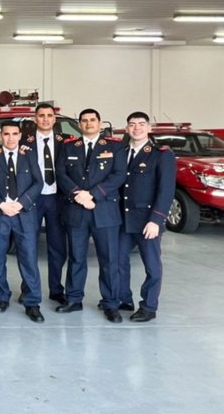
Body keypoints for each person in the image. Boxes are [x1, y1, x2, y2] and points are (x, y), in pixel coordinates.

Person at [55, 108, 126, 322]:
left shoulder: (115, 146)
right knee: (77, 257)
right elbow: (61, 173)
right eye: (84, 121)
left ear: (100, 122)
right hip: (76, 210)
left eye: (92, 120)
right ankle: (74, 299)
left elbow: (119, 175)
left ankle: (111, 304)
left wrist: (93, 194)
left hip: (104, 211)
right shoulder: (69, 147)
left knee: (109, 260)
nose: (88, 123)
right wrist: (78, 194)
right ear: (79, 124)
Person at [0, 121, 45, 323]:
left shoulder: (29, 155)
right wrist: (0, 204)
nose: (10, 138)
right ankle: (2, 297)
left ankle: (32, 302)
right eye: (6, 134)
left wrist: (21, 204)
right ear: (1, 135)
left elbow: (38, 182)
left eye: (14, 134)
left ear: (20, 136)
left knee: (29, 259)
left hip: (23, 214)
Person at [118, 112, 176, 322]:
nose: (137, 128)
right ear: (126, 129)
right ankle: (124, 299)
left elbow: (166, 190)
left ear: (149, 128)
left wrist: (156, 220)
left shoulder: (161, 154)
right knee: (118, 262)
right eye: (132, 124)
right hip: (123, 219)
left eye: (141, 124)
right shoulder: (121, 152)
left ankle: (149, 306)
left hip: (147, 220)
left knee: (151, 265)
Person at [19, 103, 71, 306]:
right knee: (28, 245)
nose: (46, 119)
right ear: (35, 118)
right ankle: (28, 289)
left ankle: (56, 289)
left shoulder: (65, 142)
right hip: (32, 198)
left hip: (57, 198)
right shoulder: (24, 142)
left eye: (50, 116)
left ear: (55, 119)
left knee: (57, 247)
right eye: (41, 116)